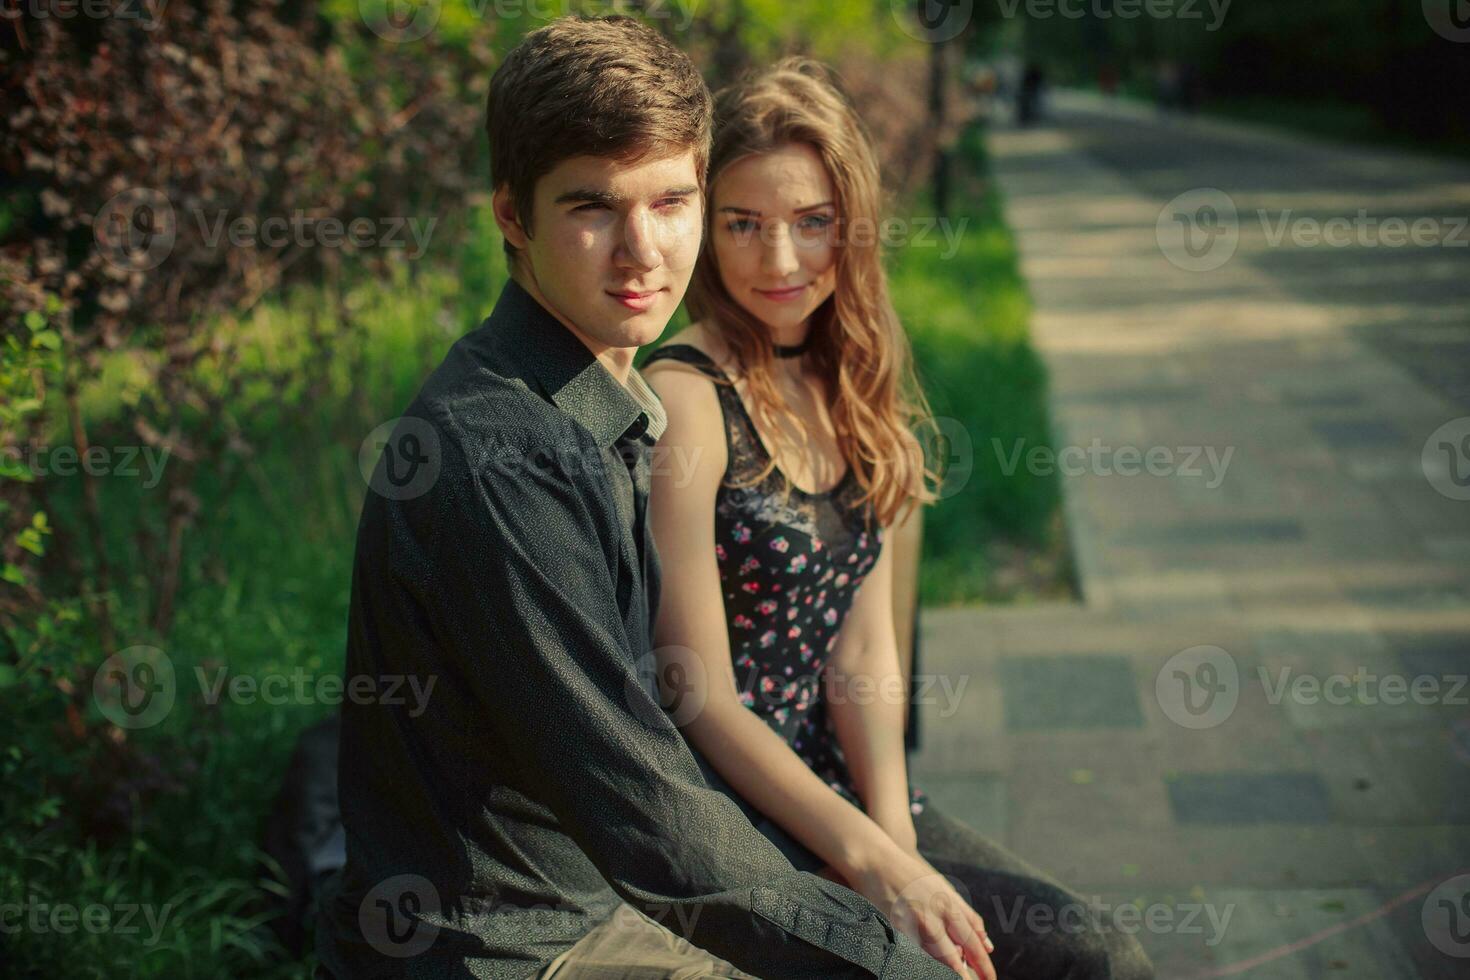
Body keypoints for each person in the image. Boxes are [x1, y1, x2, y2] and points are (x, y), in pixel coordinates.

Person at [314, 16, 970, 980]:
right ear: (511, 214)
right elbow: (642, 806)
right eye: (593, 207)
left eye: (671, 202)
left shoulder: (594, 393)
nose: (641, 252)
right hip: (507, 943)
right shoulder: (499, 455)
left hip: (592, 896)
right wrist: (885, 953)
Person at [641, 58, 1156, 980]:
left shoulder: (850, 380)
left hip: (840, 786)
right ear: (708, 231)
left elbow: (865, 653)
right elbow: (698, 696)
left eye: (813, 224)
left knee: (1096, 956)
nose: (781, 261)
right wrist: (875, 864)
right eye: (744, 225)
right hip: (725, 814)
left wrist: (894, 836)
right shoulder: (687, 395)